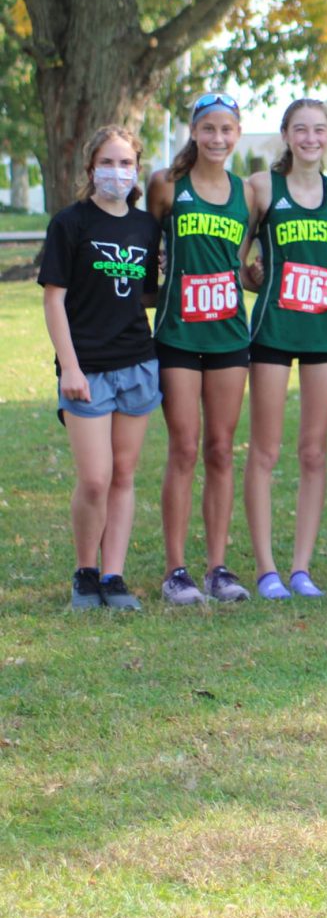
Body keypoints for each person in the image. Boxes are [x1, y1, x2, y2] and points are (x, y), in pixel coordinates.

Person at [40, 125, 161, 610]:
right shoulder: (70, 224)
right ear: (91, 169)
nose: (117, 172)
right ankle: (85, 572)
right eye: (107, 163)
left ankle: (113, 575)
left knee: (124, 475)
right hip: (85, 369)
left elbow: (146, 294)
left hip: (136, 363)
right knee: (95, 478)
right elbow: (54, 300)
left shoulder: (146, 227)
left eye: (126, 163)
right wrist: (68, 367)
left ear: (137, 169)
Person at [148, 93, 256, 605]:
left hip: (230, 336)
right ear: (194, 131)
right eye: (208, 128)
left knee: (219, 448)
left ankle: (218, 568)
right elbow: (144, 256)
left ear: (238, 134)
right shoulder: (167, 187)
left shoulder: (248, 194)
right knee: (185, 447)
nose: (217, 138)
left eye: (227, 130)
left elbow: (242, 261)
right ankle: (176, 571)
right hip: (178, 336)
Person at [239, 98, 327, 600]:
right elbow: (234, 258)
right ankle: (266, 570)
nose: (310, 138)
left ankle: (301, 569)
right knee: (265, 449)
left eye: (318, 130)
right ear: (285, 134)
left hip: (323, 332)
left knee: (314, 451)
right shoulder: (262, 187)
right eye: (300, 129)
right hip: (273, 331)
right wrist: (254, 278)